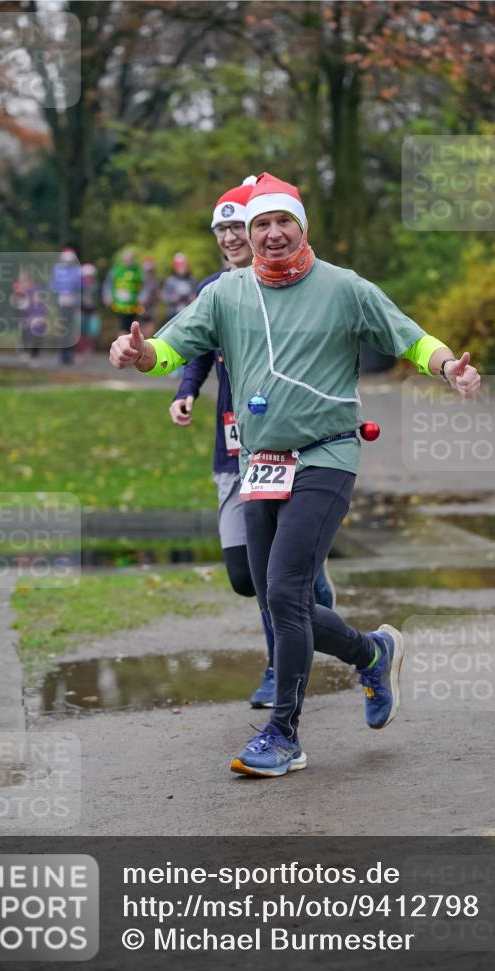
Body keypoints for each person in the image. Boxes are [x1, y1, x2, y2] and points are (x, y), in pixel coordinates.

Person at [110, 172, 481, 778]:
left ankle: (283, 735)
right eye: (261, 224)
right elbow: (171, 349)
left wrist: (448, 368)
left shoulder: (344, 287)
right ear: (249, 232)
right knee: (281, 601)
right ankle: (372, 652)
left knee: (285, 593)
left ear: (302, 227)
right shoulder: (226, 293)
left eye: (284, 221)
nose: (273, 233)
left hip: (326, 455)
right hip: (259, 464)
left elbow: (410, 339)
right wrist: (138, 354)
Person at [168, 177, 336, 710]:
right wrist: (186, 391)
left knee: (274, 577)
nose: (230, 238)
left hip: (288, 442)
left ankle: (276, 666)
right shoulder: (216, 290)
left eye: (238, 227)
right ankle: (315, 582)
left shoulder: (295, 286)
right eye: (221, 230)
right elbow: (193, 346)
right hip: (233, 444)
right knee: (246, 576)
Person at [49, 248, 81, 365]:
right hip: (61, 303)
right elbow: (53, 285)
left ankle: (69, 355)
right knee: (64, 330)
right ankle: (63, 356)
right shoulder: (58, 269)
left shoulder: (76, 270)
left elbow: (79, 287)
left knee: (71, 330)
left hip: (73, 303)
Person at [10, 266, 47, 365]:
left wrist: (42, 315)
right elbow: (14, 301)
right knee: (24, 333)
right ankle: (25, 351)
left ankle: (34, 357)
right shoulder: (17, 287)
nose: (22, 278)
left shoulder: (34, 288)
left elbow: (40, 303)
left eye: (24, 276)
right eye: (20, 276)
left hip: (35, 315)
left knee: (37, 334)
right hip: (24, 314)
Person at [102, 248, 144, 336]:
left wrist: (142, 298)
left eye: (130, 259)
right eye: (126, 259)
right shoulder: (115, 270)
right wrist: (108, 297)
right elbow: (108, 284)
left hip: (133, 305)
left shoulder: (138, 271)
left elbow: (144, 286)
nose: (128, 261)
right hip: (117, 305)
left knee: (133, 327)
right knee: (122, 327)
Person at [78, 263, 101, 355]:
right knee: (82, 330)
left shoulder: (96, 286)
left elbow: (99, 299)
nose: (88, 278)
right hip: (82, 310)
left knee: (93, 330)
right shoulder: (80, 286)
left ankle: (90, 349)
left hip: (93, 311)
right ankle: (81, 349)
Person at [139, 257, 160, 338]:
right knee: (140, 327)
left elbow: (156, 294)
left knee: (150, 327)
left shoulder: (155, 280)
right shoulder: (139, 279)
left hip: (151, 308)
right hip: (140, 307)